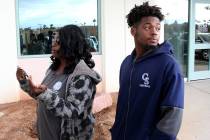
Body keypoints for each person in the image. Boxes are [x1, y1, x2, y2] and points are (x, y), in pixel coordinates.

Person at [111, 2, 184, 140]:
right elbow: (123, 105)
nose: (155, 32)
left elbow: (172, 117)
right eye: (147, 27)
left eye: (157, 28)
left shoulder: (169, 65)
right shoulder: (127, 63)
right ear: (133, 31)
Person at [16, 24, 101, 140]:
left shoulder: (83, 76)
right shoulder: (52, 70)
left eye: (58, 41)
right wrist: (26, 84)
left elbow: (73, 111)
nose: (53, 44)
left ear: (71, 45)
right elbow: (42, 96)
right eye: (54, 40)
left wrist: (45, 93)